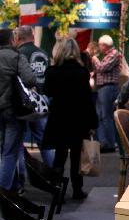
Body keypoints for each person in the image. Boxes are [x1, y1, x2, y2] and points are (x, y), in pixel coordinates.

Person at [44, 37, 97, 200]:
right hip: (77, 119)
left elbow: (47, 92)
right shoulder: (82, 73)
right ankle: (77, 189)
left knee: (59, 155)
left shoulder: (51, 72)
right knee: (76, 156)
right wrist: (93, 122)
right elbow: (87, 100)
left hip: (58, 118)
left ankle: (57, 190)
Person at [0, 28, 37, 194]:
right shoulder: (16, 57)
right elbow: (30, 80)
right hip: (12, 109)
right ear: (11, 40)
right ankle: (5, 191)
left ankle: (13, 185)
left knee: (3, 150)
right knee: (11, 151)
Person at [13, 26, 54, 168]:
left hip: (24, 102)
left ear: (18, 38)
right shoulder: (43, 53)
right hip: (42, 100)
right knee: (45, 141)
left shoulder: (18, 54)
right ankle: (54, 175)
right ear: (32, 36)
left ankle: (20, 180)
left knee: (18, 142)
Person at [91, 34, 122, 153]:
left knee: (106, 116)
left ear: (104, 45)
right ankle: (103, 142)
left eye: (100, 45)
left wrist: (95, 59)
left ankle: (109, 143)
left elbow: (103, 68)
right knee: (100, 116)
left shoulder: (114, 54)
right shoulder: (107, 55)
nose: (99, 47)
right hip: (102, 88)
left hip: (108, 88)